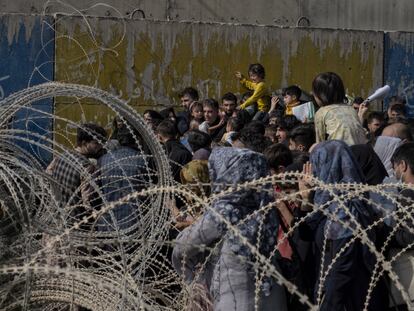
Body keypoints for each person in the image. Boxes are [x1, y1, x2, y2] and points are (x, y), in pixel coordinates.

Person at [172, 147, 287, 311]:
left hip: (236, 300)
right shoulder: (264, 208)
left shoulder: (225, 212)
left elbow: (182, 248)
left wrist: (194, 280)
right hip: (272, 298)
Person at [301, 140, 383, 311]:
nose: (314, 172)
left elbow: (338, 274)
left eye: (317, 163)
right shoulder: (356, 201)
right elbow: (306, 232)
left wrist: (326, 305)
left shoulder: (342, 217)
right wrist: (306, 200)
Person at [47, 123, 107, 224]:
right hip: (75, 223)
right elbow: (88, 203)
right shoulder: (87, 166)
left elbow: (47, 176)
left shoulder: (60, 157)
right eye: (96, 143)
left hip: (56, 218)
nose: (100, 146)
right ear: (84, 143)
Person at [97, 126, 147, 231]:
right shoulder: (143, 160)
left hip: (107, 221)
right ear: (137, 138)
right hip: (133, 222)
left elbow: (98, 190)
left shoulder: (103, 160)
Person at [312, 72, 367, 146]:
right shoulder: (350, 109)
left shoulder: (322, 112)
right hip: (361, 151)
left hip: (340, 153)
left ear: (320, 95)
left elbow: (320, 143)